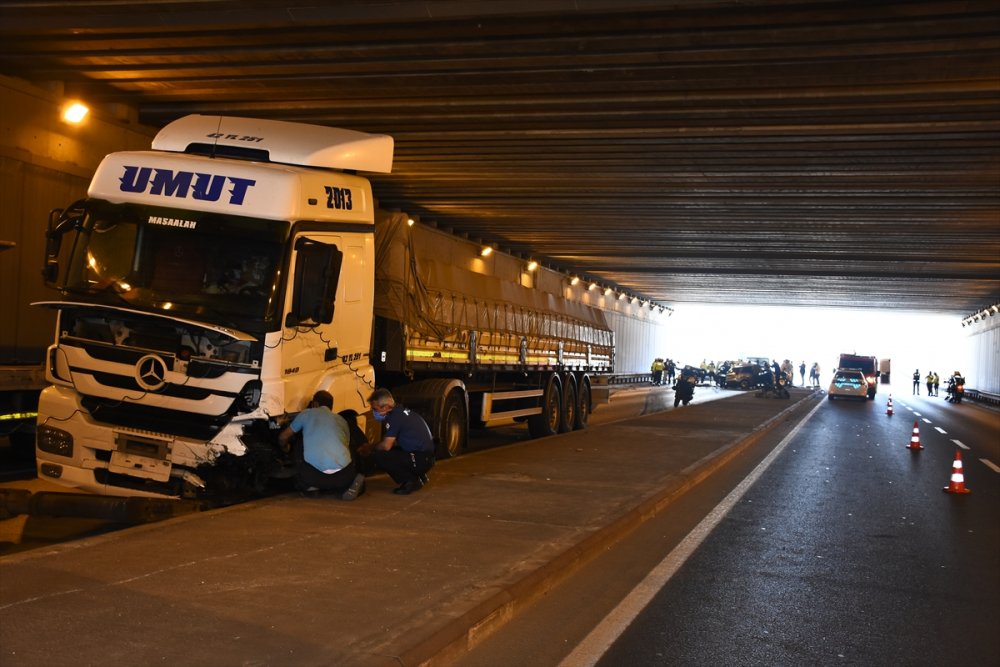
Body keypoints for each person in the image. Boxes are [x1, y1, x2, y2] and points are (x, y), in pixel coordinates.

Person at [278, 390, 366, 500]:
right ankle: (350, 485)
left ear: (315, 404)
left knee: (300, 443)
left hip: (312, 477)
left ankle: (311, 488)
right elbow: (346, 445)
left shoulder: (306, 414)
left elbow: (283, 437)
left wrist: (285, 448)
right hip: (343, 477)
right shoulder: (342, 420)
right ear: (332, 406)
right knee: (344, 446)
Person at [359, 388, 435, 495]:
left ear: (385, 407)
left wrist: (369, 448)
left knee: (379, 455)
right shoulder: (399, 411)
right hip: (425, 457)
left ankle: (411, 481)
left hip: (422, 459)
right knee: (393, 452)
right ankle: (420, 475)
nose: (374, 412)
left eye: (375, 409)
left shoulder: (394, 417)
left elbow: (386, 446)